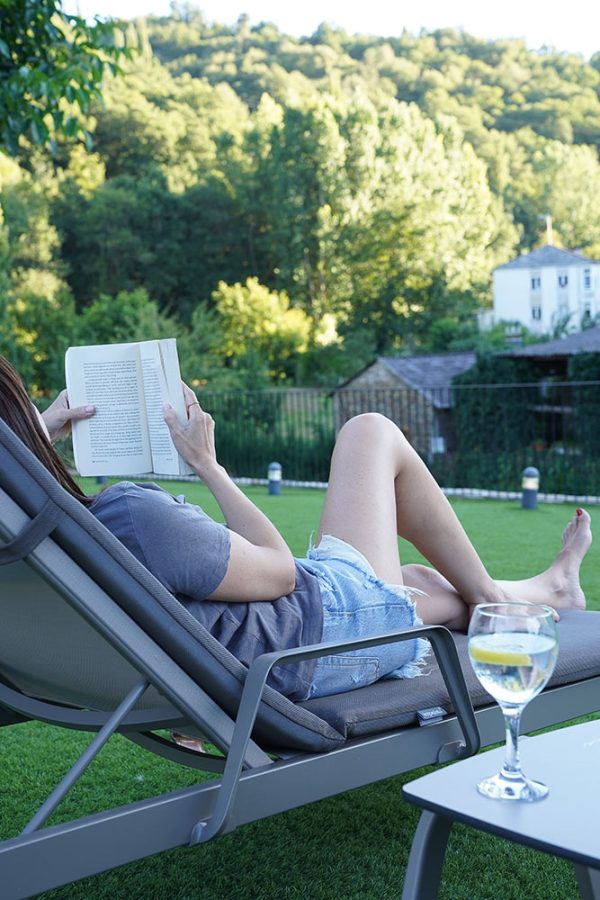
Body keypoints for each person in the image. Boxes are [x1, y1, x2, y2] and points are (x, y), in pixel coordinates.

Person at [0, 355, 592, 701]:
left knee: (415, 580)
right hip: (310, 639)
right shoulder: (130, 515)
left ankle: (548, 592)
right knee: (370, 432)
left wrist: (30, 444)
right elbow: (280, 571)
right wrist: (211, 466)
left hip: (249, 659)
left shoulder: (33, 546)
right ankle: (497, 603)